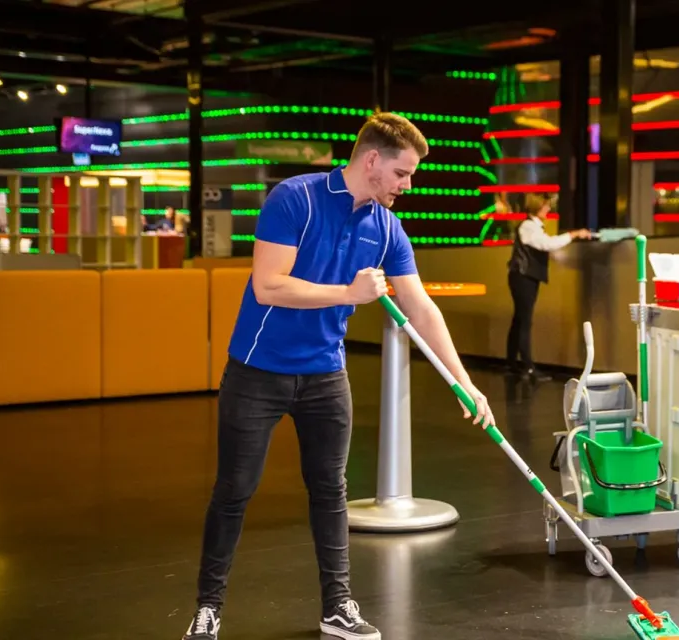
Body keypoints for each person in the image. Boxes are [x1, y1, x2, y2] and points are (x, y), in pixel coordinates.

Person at [181, 111, 495, 640]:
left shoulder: (386, 226)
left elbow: (420, 309)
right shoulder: (294, 199)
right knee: (234, 489)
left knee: (330, 490)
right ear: (372, 160)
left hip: (325, 375)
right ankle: (208, 610)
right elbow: (268, 287)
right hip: (258, 371)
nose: (408, 185)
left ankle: (338, 607)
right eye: (403, 173)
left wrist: (462, 380)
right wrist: (350, 294)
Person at [505, 193, 591, 380]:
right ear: (537, 207)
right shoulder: (528, 226)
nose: (548, 209)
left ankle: (512, 364)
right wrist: (573, 234)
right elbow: (547, 244)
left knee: (519, 319)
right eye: (545, 206)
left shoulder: (533, 227)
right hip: (523, 277)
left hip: (523, 277)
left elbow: (547, 247)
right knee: (524, 320)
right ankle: (528, 367)